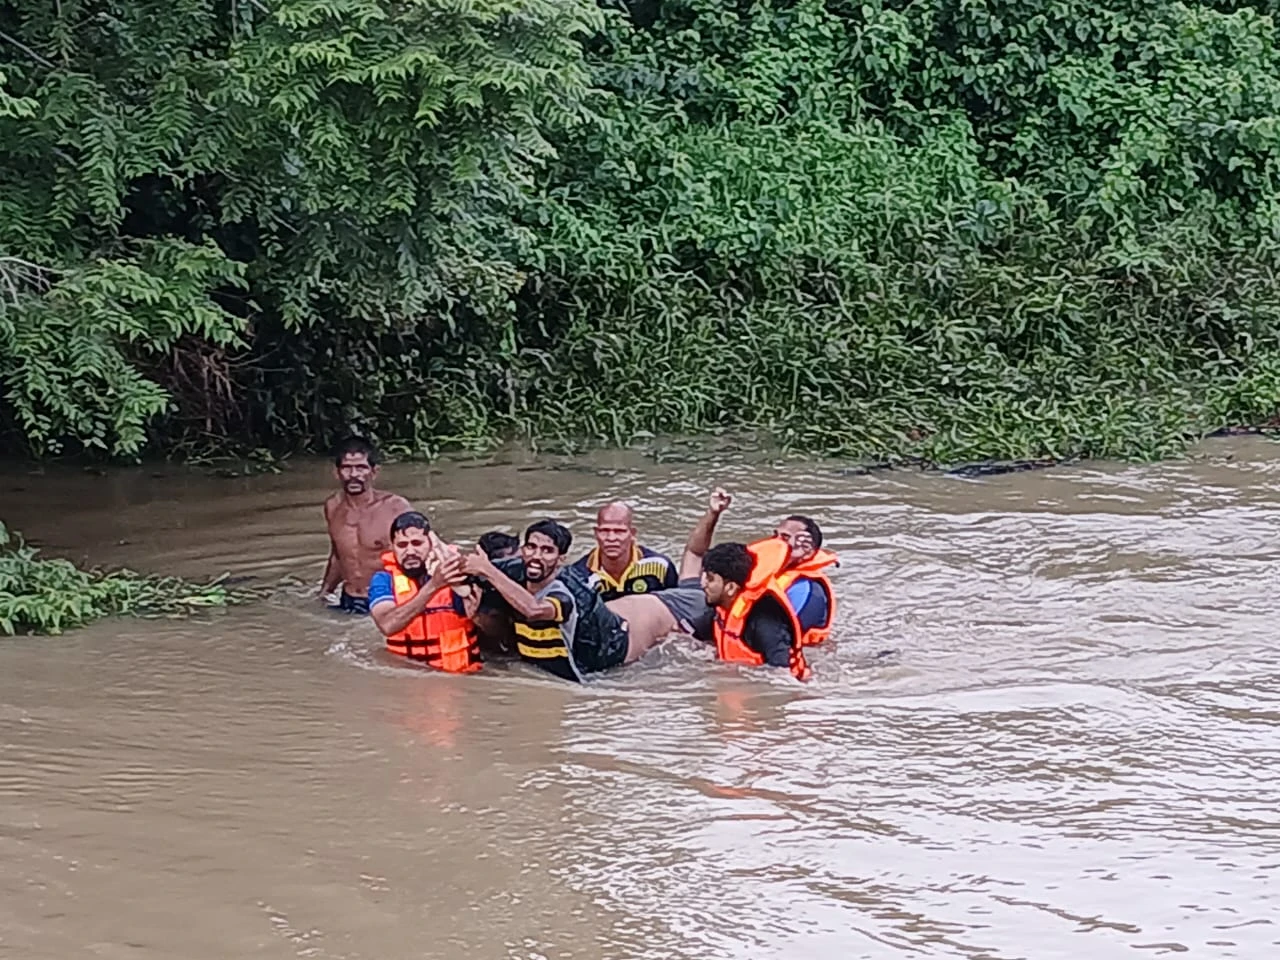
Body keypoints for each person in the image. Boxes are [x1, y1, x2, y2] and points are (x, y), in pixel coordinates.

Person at [604, 488, 812, 681]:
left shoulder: (764, 622)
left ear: (730, 587)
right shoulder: (715, 609)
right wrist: (713, 514)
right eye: (705, 575)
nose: (703, 581)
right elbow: (694, 553)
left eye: (709, 578)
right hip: (636, 619)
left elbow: (783, 679)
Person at [461, 519, 665, 682]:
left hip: (620, 644)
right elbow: (460, 567)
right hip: (602, 619)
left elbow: (534, 610)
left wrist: (487, 570)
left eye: (547, 551)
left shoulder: (565, 593)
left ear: (561, 559)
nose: (536, 556)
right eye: (531, 547)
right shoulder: (509, 570)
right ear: (522, 550)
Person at [369, 511, 481, 673]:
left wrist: (478, 618)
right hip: (407, 677)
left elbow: (494, 630)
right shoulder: (383, 580)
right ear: (392, 547)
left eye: (417, 543)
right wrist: (435, 585)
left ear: (430, 544)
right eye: (402, 545)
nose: (410, 551)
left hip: (461, 676)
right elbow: (387, 625)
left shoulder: (457, 574)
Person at [320, 436, 412, 614]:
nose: (354, 475)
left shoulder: (395, 507)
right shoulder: (333, 507)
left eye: (361, 467)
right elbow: (338, 555)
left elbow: (420, 551)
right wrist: (326, 591)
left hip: (386, 598)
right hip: (349, 598)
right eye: (347, 468)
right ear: (336, 472)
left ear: (374, 472)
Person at [568, 501, 679, 601]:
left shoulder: (661, 566)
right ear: (596, 533)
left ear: (632, 533)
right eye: (604, 531)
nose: (611, 538)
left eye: (619, 531)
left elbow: (678, 606)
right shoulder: (579, 576)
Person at [772, 515, 839, 646]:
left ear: (807, 552)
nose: (775, 542)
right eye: (775, 536)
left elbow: (775, 641)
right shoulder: (765, 571)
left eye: (785, 538)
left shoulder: (806, 591)